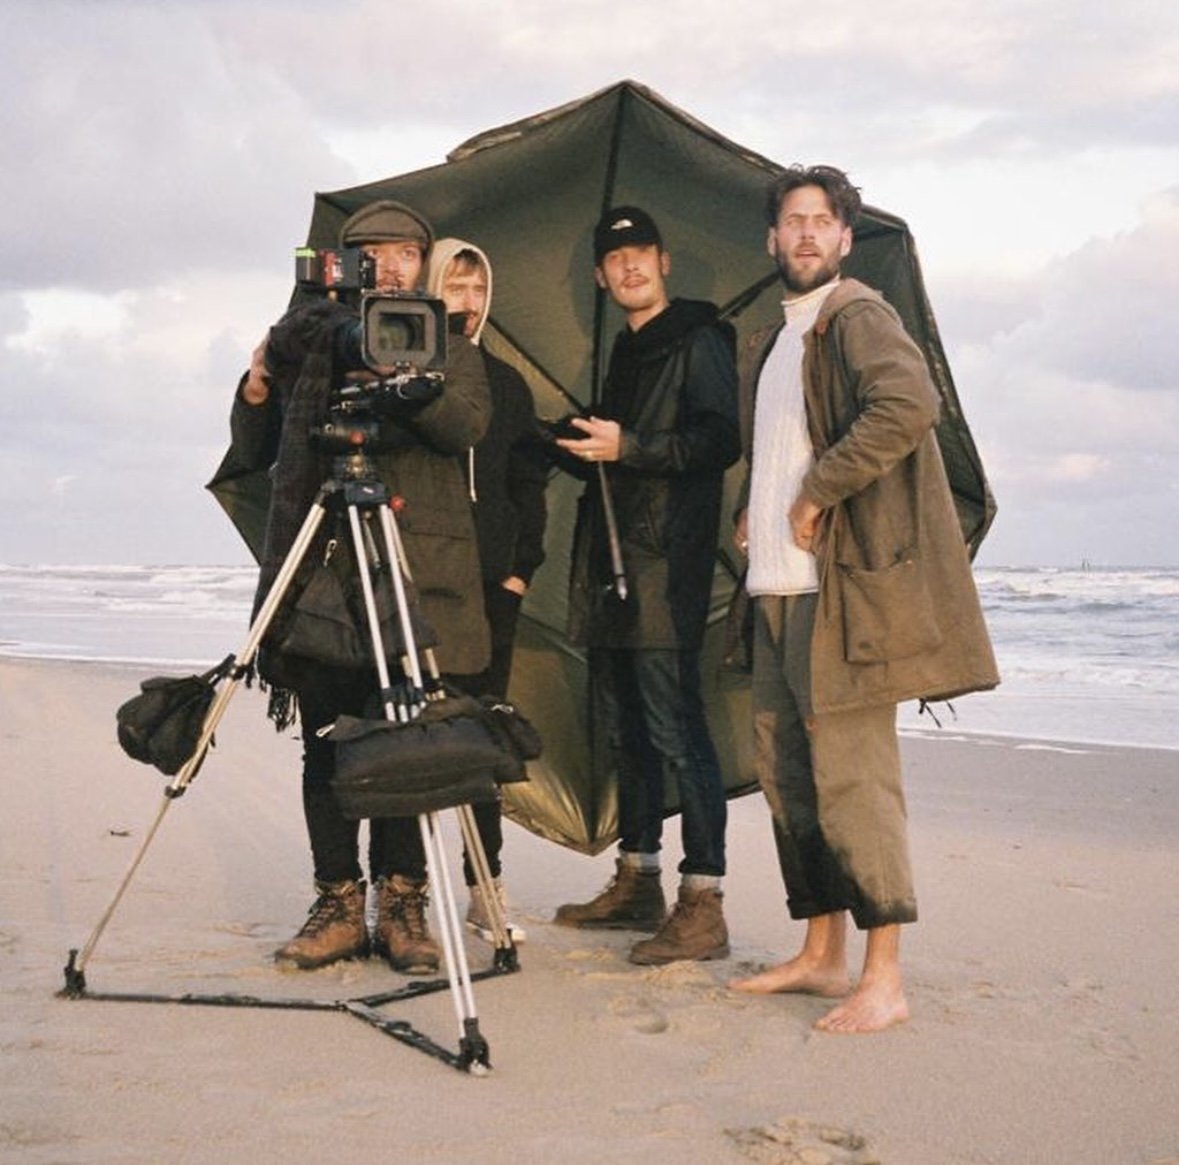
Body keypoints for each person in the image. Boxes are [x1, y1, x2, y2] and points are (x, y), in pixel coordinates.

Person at [727, 166, 999, 1031]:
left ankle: (883, 976)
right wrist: (755, 506)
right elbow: (782, 447)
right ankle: (821, 952)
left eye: (822, 220)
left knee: (854, 780)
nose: (806, 233)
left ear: (844, 238)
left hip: (839, 595)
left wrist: (817, 491)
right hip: (774, 584)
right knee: (790, 780)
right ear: (772, 238)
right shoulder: (776, 340)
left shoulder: (856, 315)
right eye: (792, 220)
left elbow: (907, 404)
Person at [226, 200, 492, 975]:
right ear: (343, 266)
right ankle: (338, 901)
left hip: (412, 575)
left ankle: (402, 904)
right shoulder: (311, 342)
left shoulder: (445, 341)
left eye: (405, 253)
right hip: (324, 571)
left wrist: (412, 384)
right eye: (373, 253)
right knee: (325, 741)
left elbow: (466, 426)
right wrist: (257, 385)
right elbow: (255, 446)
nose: (392, 267)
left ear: (423, 260)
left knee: (405, 738)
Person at [552, 206, 741, 964]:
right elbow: (615, 457)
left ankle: (704, 900)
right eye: (614, 258)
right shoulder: (627, 351)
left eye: (640, 253)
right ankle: (638, 881)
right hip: (615, 565)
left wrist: (627, 444)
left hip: (665, 568)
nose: (629, 266)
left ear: (663, 262)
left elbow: (719, 440)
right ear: (601, 277)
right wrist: (565, 438)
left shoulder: (699, 337)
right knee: (626, 727)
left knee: (675, 728)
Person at [425, 237, 549, 944]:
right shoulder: (405, 379)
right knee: (409, 737)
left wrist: (519, 570)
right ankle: (405, 893)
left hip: (490, 589)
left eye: (477, 289)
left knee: (481, 739)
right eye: (454, 286)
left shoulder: (507, 384)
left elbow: (528, 485)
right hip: (419, 585)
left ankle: (485, 888)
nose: (467, 302)